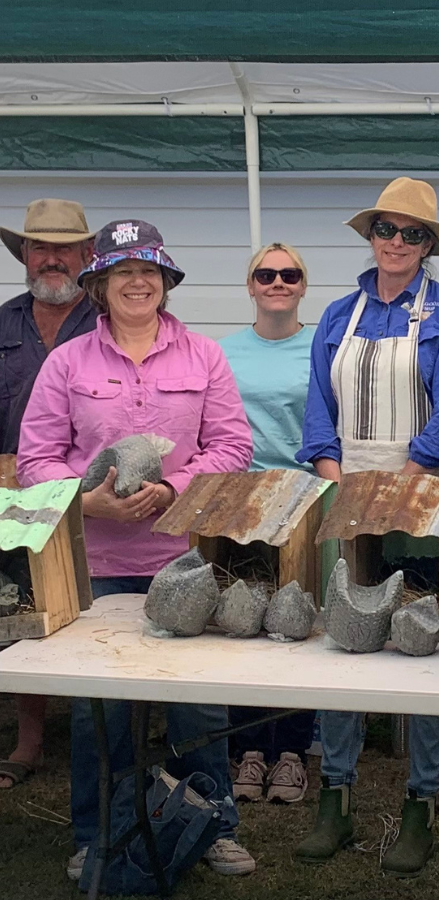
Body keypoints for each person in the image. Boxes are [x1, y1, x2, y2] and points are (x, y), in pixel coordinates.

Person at [16, 219, 256, 878]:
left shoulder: (203, 356)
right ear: (100, 284)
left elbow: (233, 446)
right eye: (124, 272)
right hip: (97, 569)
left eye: (149, 272)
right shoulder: (68, 363)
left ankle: (214, 826)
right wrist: (86, 501)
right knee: (103, 714)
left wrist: (174, 487)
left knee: (197, 703)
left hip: (182, 559)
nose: (138, 282)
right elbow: (37, 458)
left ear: (167, 282)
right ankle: (100, 835)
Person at [294, 177, 439, 877]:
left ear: (429, 246)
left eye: (412, 234)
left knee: (422, 651)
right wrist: (334, 474)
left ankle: (420, 804)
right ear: (370, 235)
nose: (397, 244)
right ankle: (334, 799)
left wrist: (404, 487)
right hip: (349, 498)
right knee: (344, 644)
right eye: (386, 230)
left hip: (425, 500)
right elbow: (318, 402)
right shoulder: (338, 315)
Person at [0, 199, 97, 791]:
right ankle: (30, 734)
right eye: (42, 248)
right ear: (26, 256)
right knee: (22, 603)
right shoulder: (4, 323)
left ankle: (112, 717)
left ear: (88, 258)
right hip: (13, 489)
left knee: (97, 608)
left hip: (94, 492)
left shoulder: (109, 319)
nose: (53, 258)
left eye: (66, 248)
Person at [220, 242, 318, 805]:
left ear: (303, 286)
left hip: (305, 498)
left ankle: (291, 752)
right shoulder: (222, 352)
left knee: (297, 628)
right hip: (240, 501)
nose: (277, 281)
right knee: (244, 623)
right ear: (250, 286)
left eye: (290, 274)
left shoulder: (324, 348)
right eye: (266, 273)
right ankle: (249, 749)